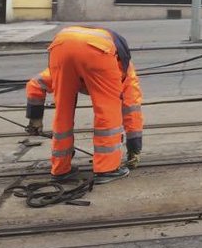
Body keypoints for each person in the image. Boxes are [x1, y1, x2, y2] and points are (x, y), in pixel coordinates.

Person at [24, 26, 144, 184]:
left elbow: (35, 84)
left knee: (63, 110)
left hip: (61, 46)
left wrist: (35, 119)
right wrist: (134, 147)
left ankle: (60, 169)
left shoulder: (66, 63)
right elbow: (131, 108)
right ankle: (106, 169)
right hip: (98, 51)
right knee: (108, 111)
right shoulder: (126, 72)